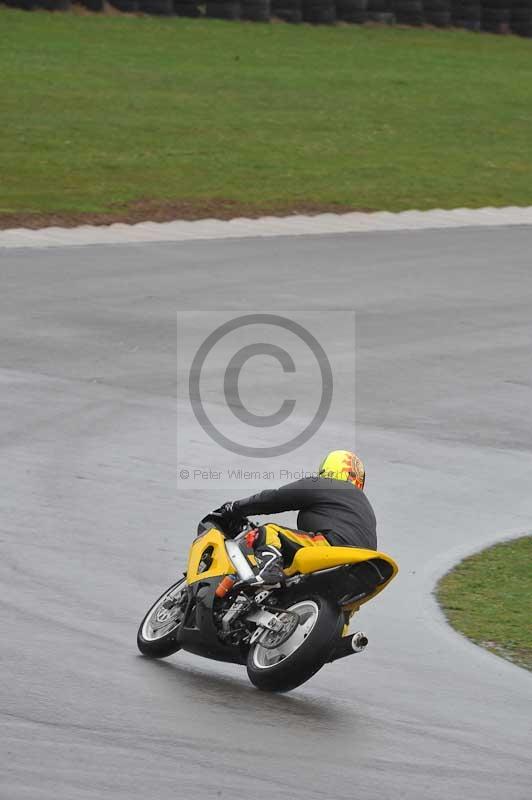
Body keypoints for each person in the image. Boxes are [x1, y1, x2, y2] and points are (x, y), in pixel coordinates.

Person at [212, 450, 377, 587]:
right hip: (365, 569)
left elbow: (274, 499)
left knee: (268, 532)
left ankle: (270, 569)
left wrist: (235, 508)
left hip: (332, 547)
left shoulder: (326, 484)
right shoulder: (365, 506)